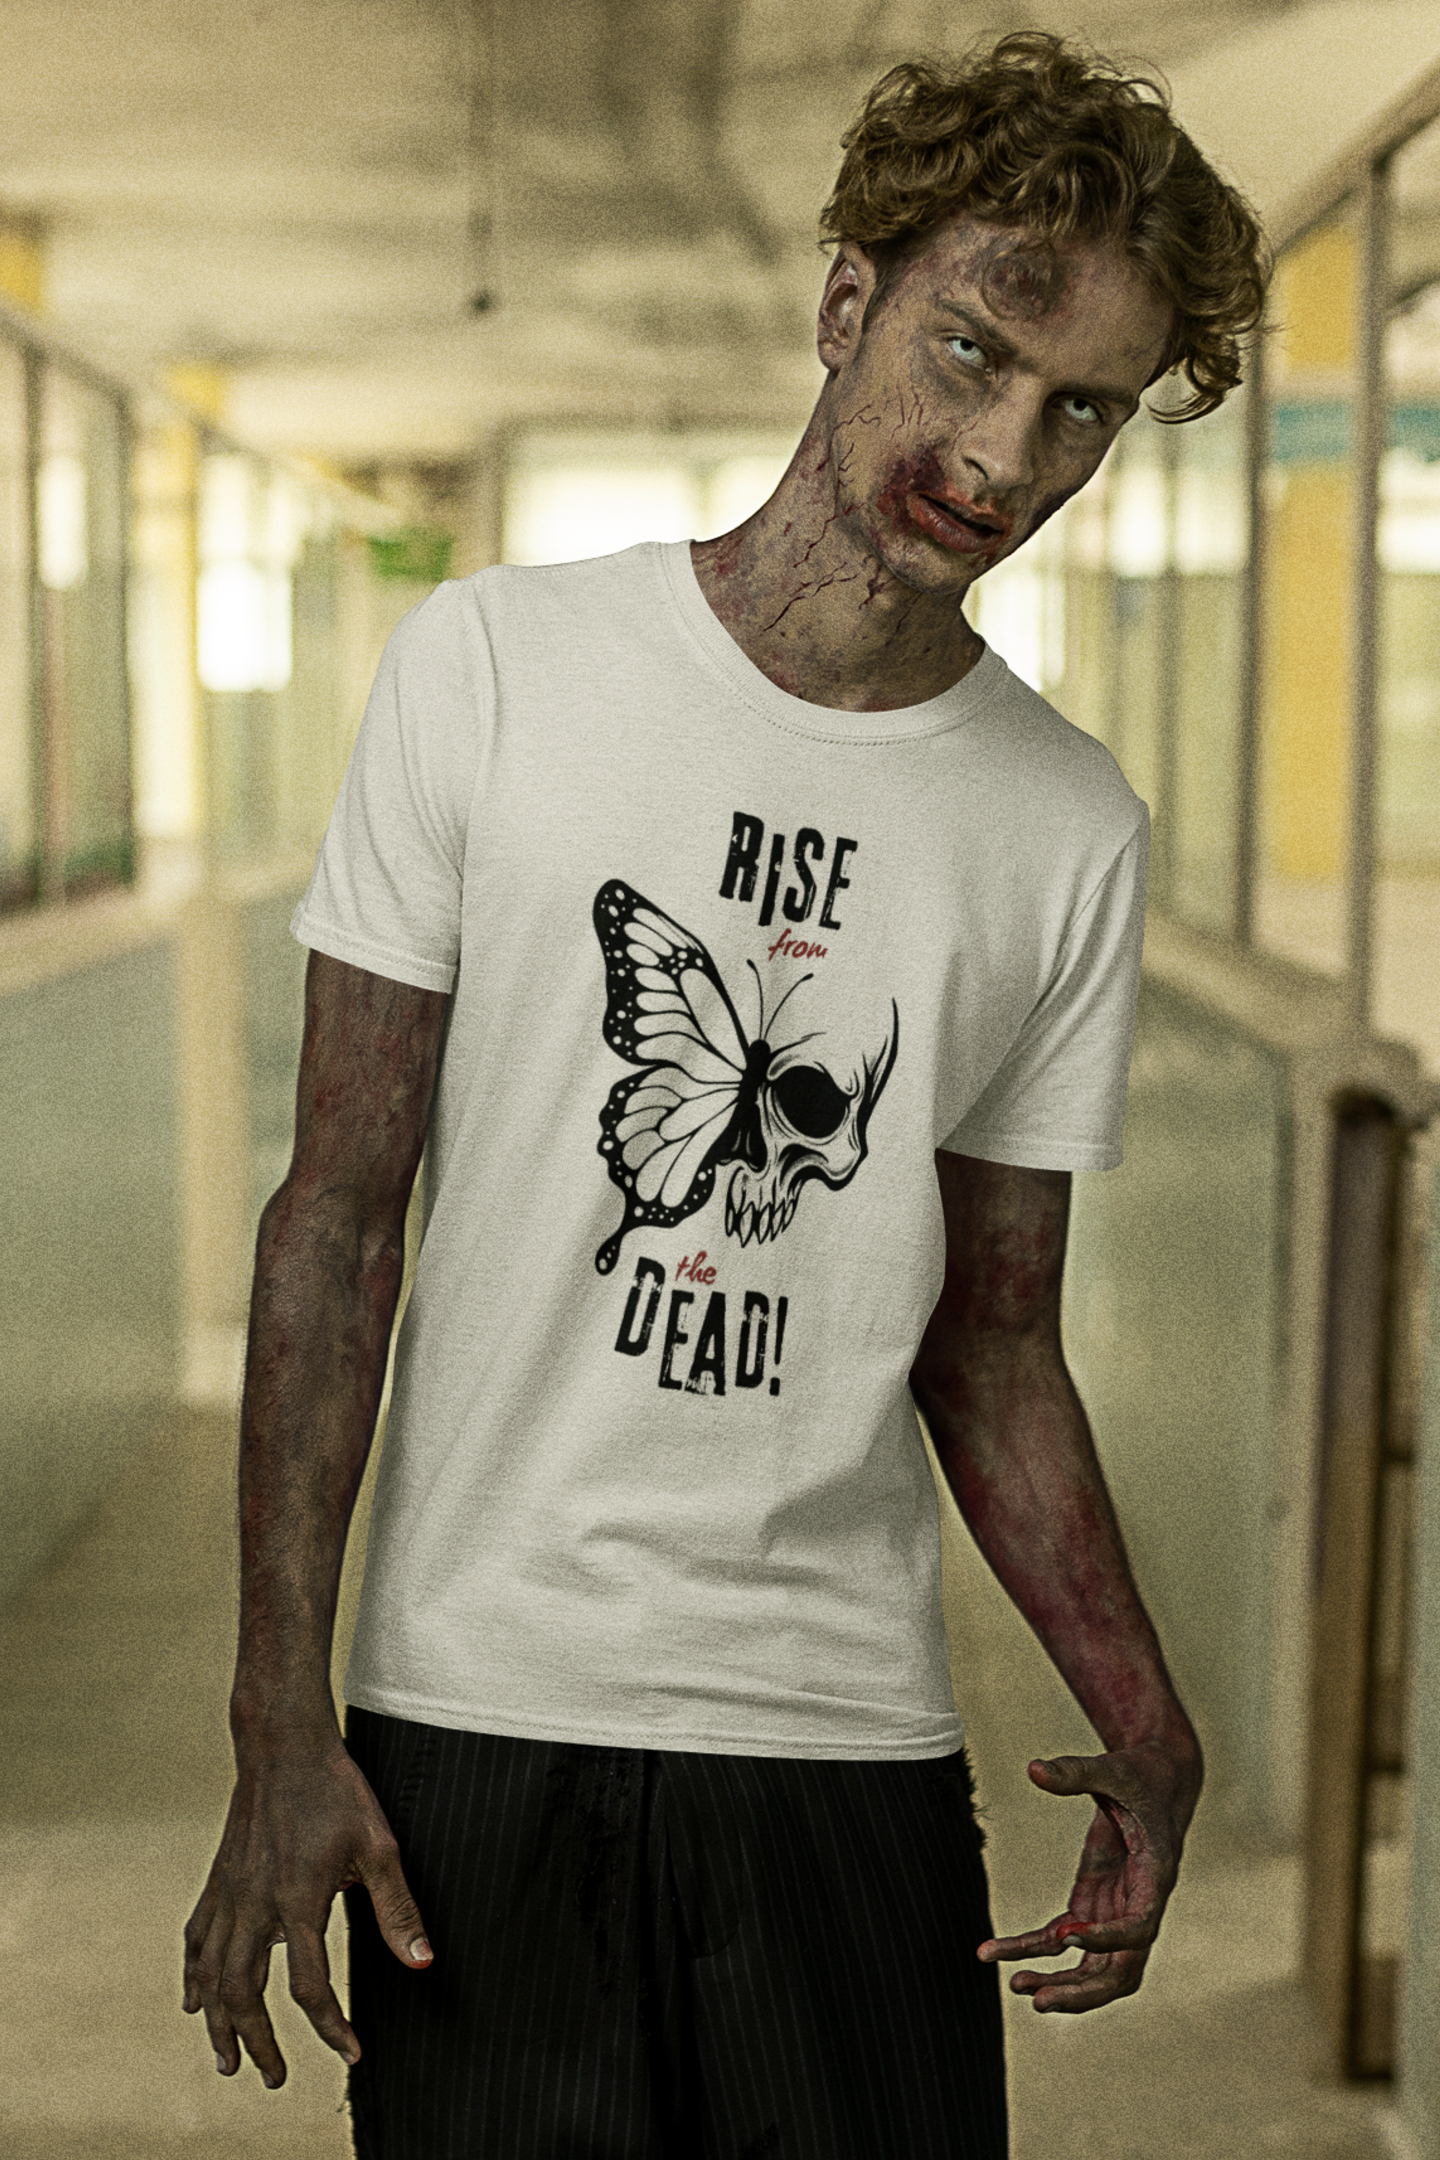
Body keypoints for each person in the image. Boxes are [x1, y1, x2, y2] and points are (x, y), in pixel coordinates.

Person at [184, 31, 1267, 2158]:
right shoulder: (491, 668)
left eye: (1081, 412)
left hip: (838, 1734)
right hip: (475, 1713)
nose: (1004, 447)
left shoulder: (1064, 827)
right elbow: (336, 1218)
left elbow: (995, 1332)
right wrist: (273, 1718)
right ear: (850, 299)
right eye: (970, 349)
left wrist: (1143, 1707)